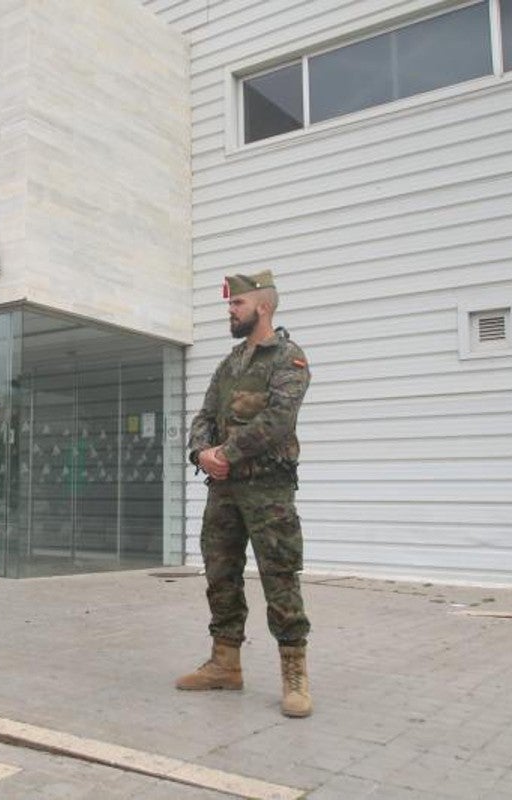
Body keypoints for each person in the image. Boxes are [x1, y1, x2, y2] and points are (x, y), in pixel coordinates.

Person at [178, 269, 313, 718]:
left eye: (237, 305)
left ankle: (294, 673)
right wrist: (201, 454)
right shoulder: (230, 364)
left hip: (268, 490)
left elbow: (278, 421)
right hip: (224, 491)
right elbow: (203, 415)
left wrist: (226, 453)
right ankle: (225, 663)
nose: (230, 312)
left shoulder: (288, 358)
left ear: (263, 306)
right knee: (220, 572)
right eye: (229, 305)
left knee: (279, 575)